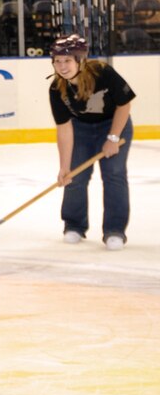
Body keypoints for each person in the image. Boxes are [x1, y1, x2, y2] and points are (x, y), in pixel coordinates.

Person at [48, 34, 135, 250]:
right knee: (74, 176)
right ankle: (74, 225)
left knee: (114, 174)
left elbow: (124, 105)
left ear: (80, 60)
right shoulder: (56, 89)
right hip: (81, 130)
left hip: (114, 124)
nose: (62, 66)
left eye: (67, 61)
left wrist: (113, 138)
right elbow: (64, 129)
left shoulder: (103, 73)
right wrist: (64, 167)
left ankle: (115, 230)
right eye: (57, 61)